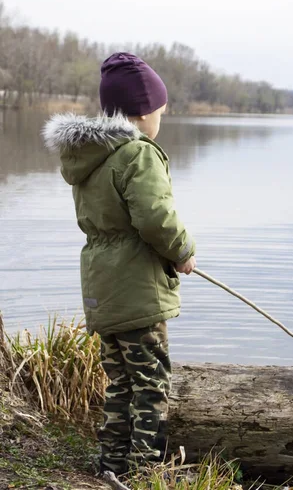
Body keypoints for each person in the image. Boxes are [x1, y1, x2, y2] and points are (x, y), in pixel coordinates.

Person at [43, 52, 196, 477]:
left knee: (120, 383)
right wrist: (182, 251)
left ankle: (111, 464)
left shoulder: (89, 154)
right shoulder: (137, 154)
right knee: (150, 383)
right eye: (161, 112)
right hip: (136, 286)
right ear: (145, 111)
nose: (161, 120)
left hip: (102, 285)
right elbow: (155, 218)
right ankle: (143, 470)